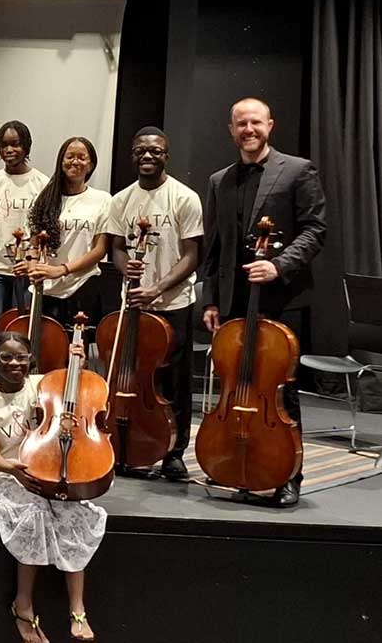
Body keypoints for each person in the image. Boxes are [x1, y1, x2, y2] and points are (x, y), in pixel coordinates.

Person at [201, 97, 327, 506]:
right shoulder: (220, 180)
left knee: (280, 392)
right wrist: (211, 301)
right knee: (238, 386)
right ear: (231, 129)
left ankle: (289, 475)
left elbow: (314, 230)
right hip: (236, 300)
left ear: (270, 125)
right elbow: (216, 247)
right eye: (241, 124)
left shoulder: (297, 170)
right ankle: (242, 466)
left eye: (255, 122)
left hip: (280, 297)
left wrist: (278, 265)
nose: (248, 130)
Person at [0, 332, 103, 643]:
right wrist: (13, 470)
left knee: (73, 513)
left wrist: (77, 362)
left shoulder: (42, 384)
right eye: (6, 357)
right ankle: (23, 604)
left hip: (44, 471)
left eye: (21, 357)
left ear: (30, 359)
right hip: (6, 475)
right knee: (36, 512)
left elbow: (77, 390)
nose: (15, 363)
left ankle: (77, 607)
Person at [105, 126, 204, 480]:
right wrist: (125, 267)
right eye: (141, 151)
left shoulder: (184, 197)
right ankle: (128, 440)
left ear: (166, 155)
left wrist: (157, 288)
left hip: (172, 302)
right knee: (133, 377)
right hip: (133, 300)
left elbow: (192, 255)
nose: (148, 156)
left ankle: (174, 453)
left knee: (173, 382)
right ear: (133, 155)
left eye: (155, 151)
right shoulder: (121, 200)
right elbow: (116, 248)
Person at [24, 137, 112, 330]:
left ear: (91, 165)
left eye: (82, 157)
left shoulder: (103, 199)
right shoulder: (45, 198)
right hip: (44, 287)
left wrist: (62, 269)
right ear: (61, 161)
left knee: (77, 352)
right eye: (70, 156)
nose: (75, 162)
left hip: (82, 285)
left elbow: (100, 249)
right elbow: (33, 244)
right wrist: (32, 267)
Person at [0, 121, 49, 321]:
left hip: (27, 268)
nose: (9, 150)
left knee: (21, 326)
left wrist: (31, 261)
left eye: (15, 144)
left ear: (26, 146)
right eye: (3, 145)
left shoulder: (42, 183)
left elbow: (44, 233)